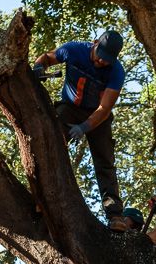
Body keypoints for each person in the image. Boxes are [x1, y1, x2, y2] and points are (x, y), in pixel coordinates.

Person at [32, 30, 131, 230]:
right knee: (51, 142)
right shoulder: (74, 50)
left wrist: (84, 127)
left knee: (105, 162)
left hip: (97, 117)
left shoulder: (116, 72)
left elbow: (104, 109)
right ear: (94, 44)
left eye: (107, 60)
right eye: (100, 56)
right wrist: (37, 68)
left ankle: (114, 215)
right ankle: (43, 198)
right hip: (69, 108)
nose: (102, 62)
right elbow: (46, 58)